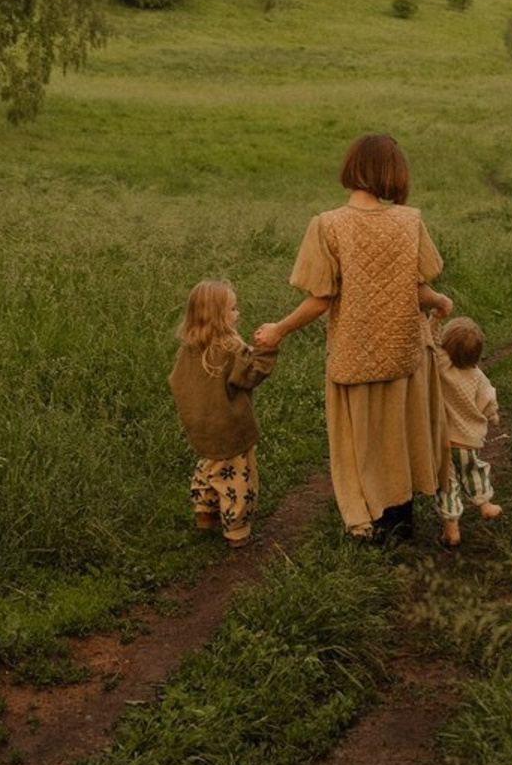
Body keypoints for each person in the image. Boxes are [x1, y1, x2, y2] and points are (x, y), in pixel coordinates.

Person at [254, 133, 452, 543]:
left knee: (361, 442)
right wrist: (439, 300)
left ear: (353, 169)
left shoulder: (328, 225)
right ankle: (401, 521)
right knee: (399, 433)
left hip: (354, 352)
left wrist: (278, 329)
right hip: (403, 351)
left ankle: (370, 522)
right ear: (394, 172)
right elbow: (418, 288)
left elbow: (322, 298)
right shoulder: (409, 220)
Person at [169, 279, 278, 549]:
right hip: (230, 426)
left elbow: (176, 381)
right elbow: (252, 375)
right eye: (232, 309)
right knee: (237, 479)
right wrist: (267, 349)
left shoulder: (189, 349)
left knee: (209, 466)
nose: (237, 313)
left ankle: (205, 514)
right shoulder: (230, 348)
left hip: (202, 427)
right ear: (218, 316)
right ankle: (237, 532)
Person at [434, 315, 502, 547]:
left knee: (447, 483)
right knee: (474, 470)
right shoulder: (479, 378)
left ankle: (451, 530)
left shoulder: (441, 367)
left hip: (442, 439)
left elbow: (432, 342)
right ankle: (485, 504)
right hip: (467, 440)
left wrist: (435, 319)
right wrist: (494, 417)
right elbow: (489, 402)